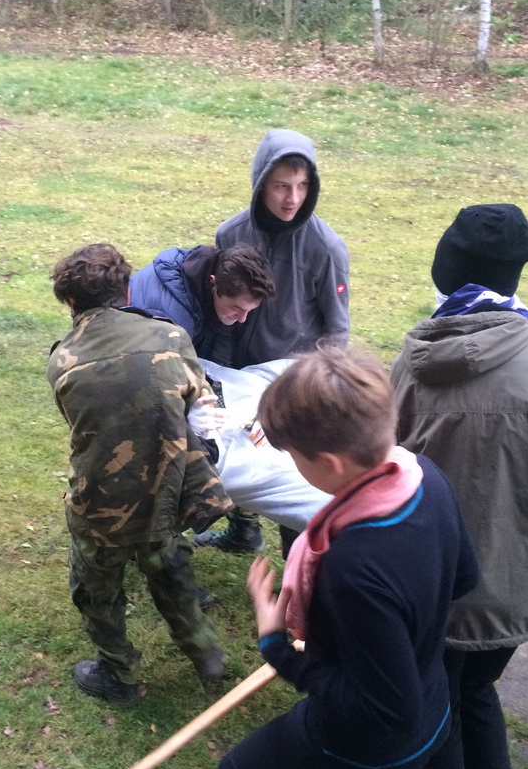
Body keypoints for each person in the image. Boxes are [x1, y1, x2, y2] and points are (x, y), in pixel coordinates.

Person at [215, 347, 478, 769]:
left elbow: (383, 708)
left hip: (370, 740)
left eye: (293, 457)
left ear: (330, 462)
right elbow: (464, 576)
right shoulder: (423, 475)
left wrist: (277, 644)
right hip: (432, 707)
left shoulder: (353, 564)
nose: (290, 466)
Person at [390, 204, 528, 769]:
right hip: (516, 586)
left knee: (442, 700)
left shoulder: (412, 365)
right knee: (477, 687)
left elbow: (384, 471)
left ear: (445, 270)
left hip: (433, 585)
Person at [47, 243, 232, 707]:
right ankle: (205, 651)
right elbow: (201, 403)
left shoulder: (63, 361)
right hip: (168, 486)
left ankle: (119, 673)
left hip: (101, 497)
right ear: (127, 291)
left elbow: (77, 423)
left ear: (69, 301)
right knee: (168, 564)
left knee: (95, 587)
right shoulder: (170, 336)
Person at [196, 128, 350, 554]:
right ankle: (244, 530)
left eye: (302, 186)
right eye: (281, 186)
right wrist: (219, 370)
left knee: (294, 470)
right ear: (261, 182)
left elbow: (337, 331)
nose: (292, 198)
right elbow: (220, 308)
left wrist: (315, 391)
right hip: (238, 367)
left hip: (293, 377)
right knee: (240, 449)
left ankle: (300, 563)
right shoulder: (231, 234)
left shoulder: (327, 248)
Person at [129, 243, 275, 367]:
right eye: (235, 308)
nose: (242, 319)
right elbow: (159, 378)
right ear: (213, 283)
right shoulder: (172, 322)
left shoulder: (206, 271)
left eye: (249, 311)